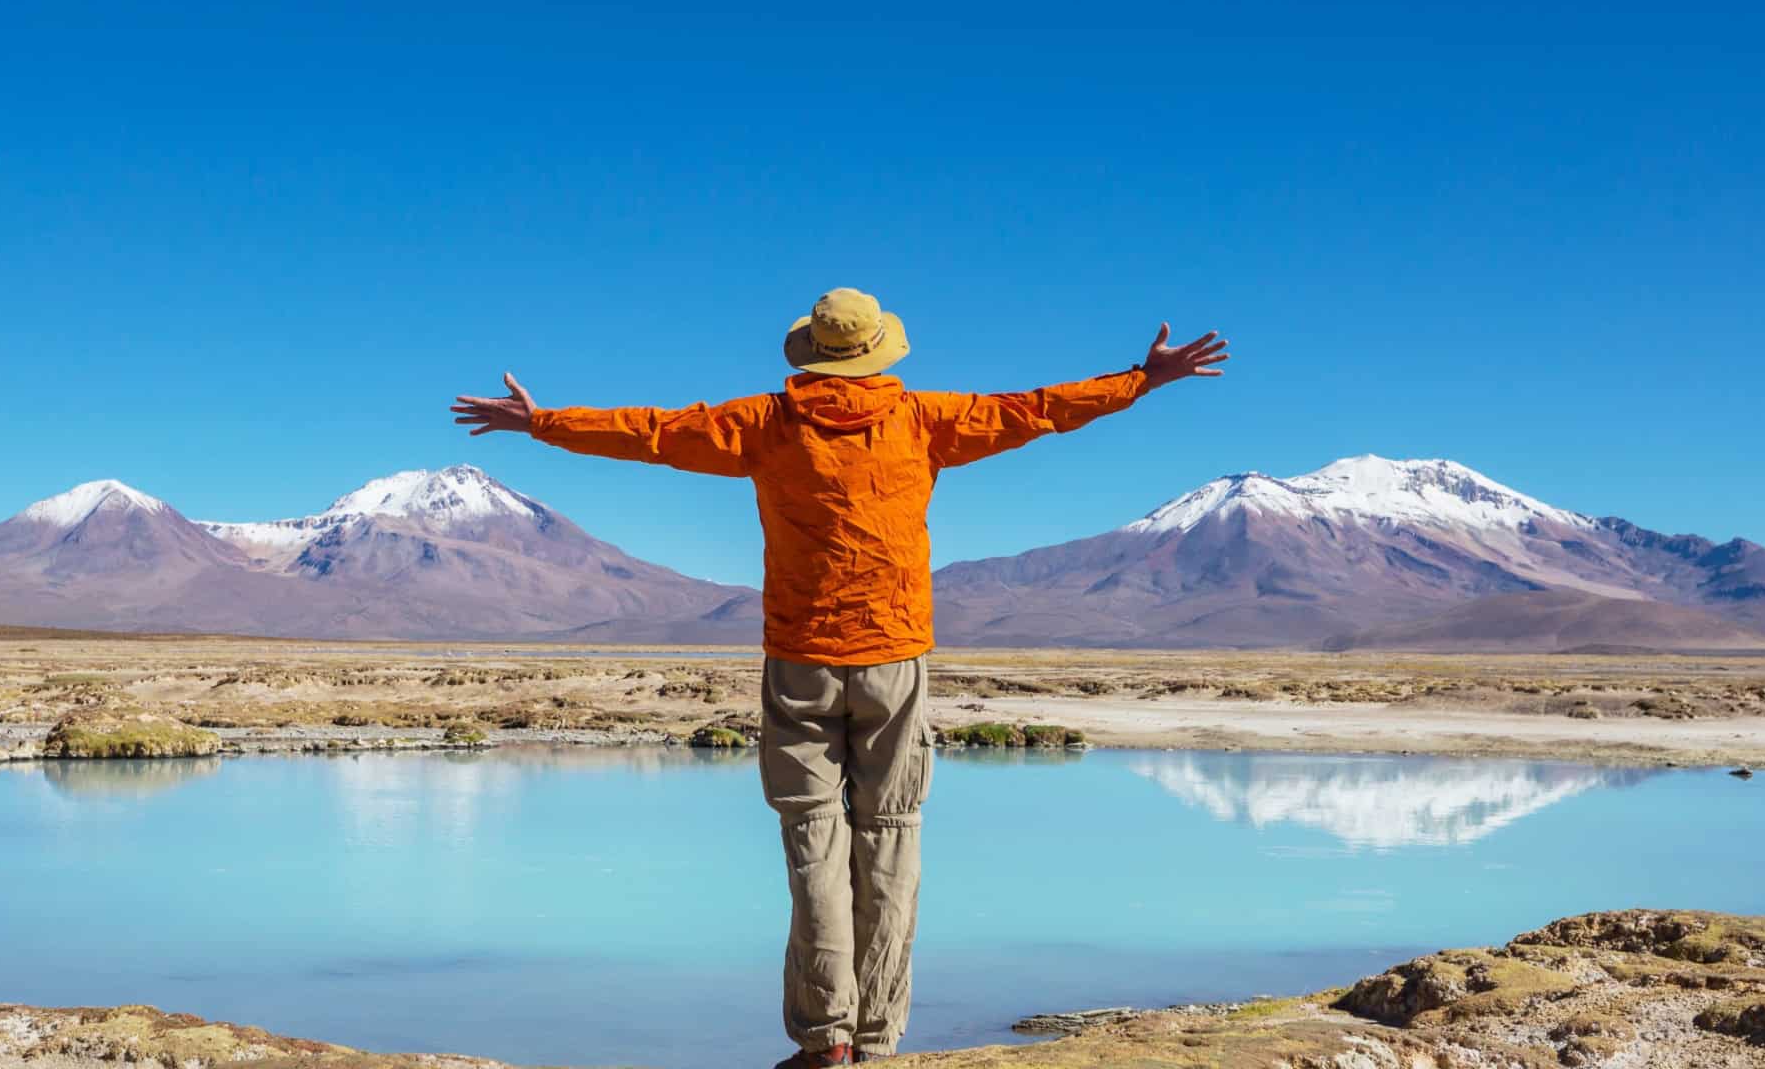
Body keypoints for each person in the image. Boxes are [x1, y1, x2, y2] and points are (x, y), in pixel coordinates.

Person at [449, 288, 1228, 1068]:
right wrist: (1141, 379)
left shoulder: (765, 424)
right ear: (879, 351)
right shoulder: (927, 419)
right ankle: (881, 1041)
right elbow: (1036, 409)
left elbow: (652, 433)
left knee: (814, 843)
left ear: (813, 353)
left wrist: (544, 422)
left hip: (799, 662)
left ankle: (829, 1039)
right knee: (889, 840)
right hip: (894, 659)